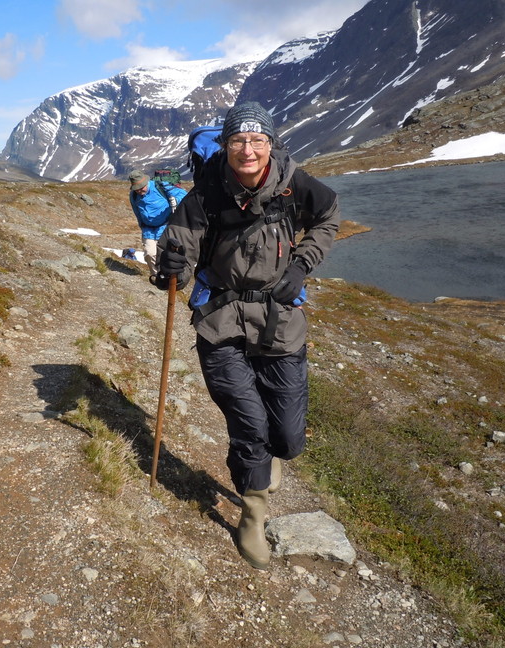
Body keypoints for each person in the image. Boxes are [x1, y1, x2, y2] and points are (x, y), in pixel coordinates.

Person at [154, 101, 341, 570]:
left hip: (281, 323)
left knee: (289, 438)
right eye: (238, 140)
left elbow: (328, 217)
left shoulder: (296, 184)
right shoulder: (204, 196)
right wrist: (168, 269)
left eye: (258, 140)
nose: (248, 149)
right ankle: (253, 514)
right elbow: (175, 253)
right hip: (220, 323)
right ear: (226, 144)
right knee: (250, 426)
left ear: (272, 144)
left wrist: (301, 265)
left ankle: (266, 464)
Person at [128, 170, 187, 276]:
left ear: (146, 182)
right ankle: (158, 277)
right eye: (137, 189)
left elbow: (184, 194)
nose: (139, 191)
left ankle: (169, 278)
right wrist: (142, 225)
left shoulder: (160, 186)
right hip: (148, 229)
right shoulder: (133, 195)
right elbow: (137, 212)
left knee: (166, 254)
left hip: (166, 226)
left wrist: (176, 200)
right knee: (150, 254)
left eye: (141, 188)